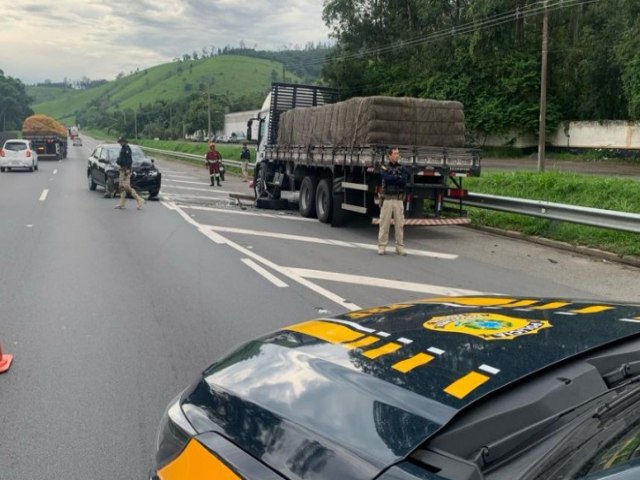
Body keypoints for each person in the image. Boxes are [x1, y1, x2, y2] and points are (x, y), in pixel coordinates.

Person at [377, 147, 409, 255]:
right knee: (384, 224)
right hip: (387, 200)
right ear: (389, 155)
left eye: (398, 153)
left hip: (398, 200)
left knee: (399, 225)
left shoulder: (402, 168)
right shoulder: (384, 167)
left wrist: (394, 178)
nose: (397, 155)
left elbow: (404, 180)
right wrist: (397, 178)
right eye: (395, 153)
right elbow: (386, 178)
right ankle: (382, 246)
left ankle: (399, 247)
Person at [114, 137, 144, 210]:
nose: (120, 143)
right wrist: (118, 161)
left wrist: (128, 169)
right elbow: (122, 159)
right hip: (122, 169)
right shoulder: (123, 148)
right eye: (120, 141)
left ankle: (139, 199)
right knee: (121, 187)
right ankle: (122, 203)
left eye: (121, 141)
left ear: (124, 142)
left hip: (126, 170)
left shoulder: (127, 149)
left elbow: (129, 160)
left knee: (126, 186)